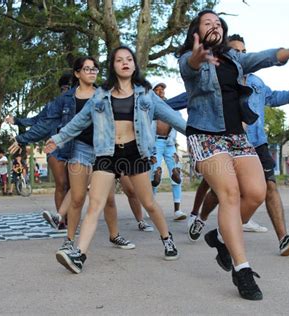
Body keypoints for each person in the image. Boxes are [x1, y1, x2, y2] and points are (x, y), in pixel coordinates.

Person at [177, 10, 289, 300]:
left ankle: (220, 238)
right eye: (207, 23)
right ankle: (242, 270)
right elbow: (189, 68)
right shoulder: (189, 58)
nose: (214, 25)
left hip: (236, 135)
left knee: (256, 192)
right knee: (229, 194)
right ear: (197, 32)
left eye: (218, 23)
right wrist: (197, 56)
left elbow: (265, 57)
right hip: (205, 133)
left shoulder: (235, 58)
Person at [45, 46, 186, 273]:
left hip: (135, 152)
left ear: (134, 64)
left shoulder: (146, 94)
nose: (125, 63)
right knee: (95, 205)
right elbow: (80, 121)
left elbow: (172, 118)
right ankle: (79, 255)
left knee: (148, 203)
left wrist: (198, 136)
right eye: (119, 60)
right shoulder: (100, 95)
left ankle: (167, 239)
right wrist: (59, 138)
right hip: (108, 153)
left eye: (129, 59)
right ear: (113, 66)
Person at [9, 57, 136, 253]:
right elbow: (46, 122)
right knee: (77, 198)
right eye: (87, 69)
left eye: (94, 69)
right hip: (79, 150)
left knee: (108, 198)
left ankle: (114, 235)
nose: (92, 72)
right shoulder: (66, 99)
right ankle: (68, 240)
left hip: (103, 152)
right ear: (77, 73)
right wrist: (23, 138)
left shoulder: (105, 94)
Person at [6, 73, 73, 228]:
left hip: (76, 148)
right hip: (55, 148)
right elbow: (38, 121)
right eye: (64, 87)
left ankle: (70, 218)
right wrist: (17, 121)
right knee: (61, 183)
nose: (67, 90)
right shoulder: (53, 105)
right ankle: (62, 220)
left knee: (72, 186)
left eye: (70, 87)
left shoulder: (82, 101)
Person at [150, 82, 187, 221]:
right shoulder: (150, 107)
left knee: (176, 174)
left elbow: (181, 123)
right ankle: (151, 207)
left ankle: (178, 210)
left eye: (162, 90)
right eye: (157, 90)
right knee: (155, 174)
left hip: (170, 144)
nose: (161, 92)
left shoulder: (173, 107)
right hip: (155, 143)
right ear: (153, 92)